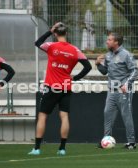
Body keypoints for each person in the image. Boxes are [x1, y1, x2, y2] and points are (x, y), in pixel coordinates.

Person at [28, 22, 92, 155]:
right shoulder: (75, 50)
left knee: (42, 116)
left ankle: (37, 148)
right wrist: (74, 78)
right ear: (67, 33)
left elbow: (37, 42)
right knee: (64, 116)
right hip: (66, 87)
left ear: (56, 34)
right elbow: (88, 67)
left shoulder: (51, 46)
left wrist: (49, 31)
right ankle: (62, 149)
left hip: (51, 86)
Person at [95, 32, 138, 149]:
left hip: (123, 91)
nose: (107, 41)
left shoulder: (126, 55)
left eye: (109, 40)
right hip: (111, 91)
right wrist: (98, 64)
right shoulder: (108, 55)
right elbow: (105, 71)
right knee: (107, 114)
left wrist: (127, 84)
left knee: (126, 115)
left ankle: (131, 142)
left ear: (116, 42)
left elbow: (135, 71)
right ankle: (106, 140)